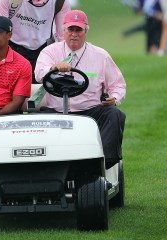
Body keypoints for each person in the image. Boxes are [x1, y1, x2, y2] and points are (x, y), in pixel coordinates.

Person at [35, 10, 126, 169]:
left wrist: (115, 97)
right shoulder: (50, 52)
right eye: (71, 30)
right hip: (55, 111)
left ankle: (103, 163)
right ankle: (42, 168)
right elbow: (38, 74)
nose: (74, 34)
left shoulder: (100, 55)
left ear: (86, 32)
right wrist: (54, 67)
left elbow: (118, 84)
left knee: (114, 114)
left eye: (79, 30)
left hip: (89, 111)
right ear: (63, 31)